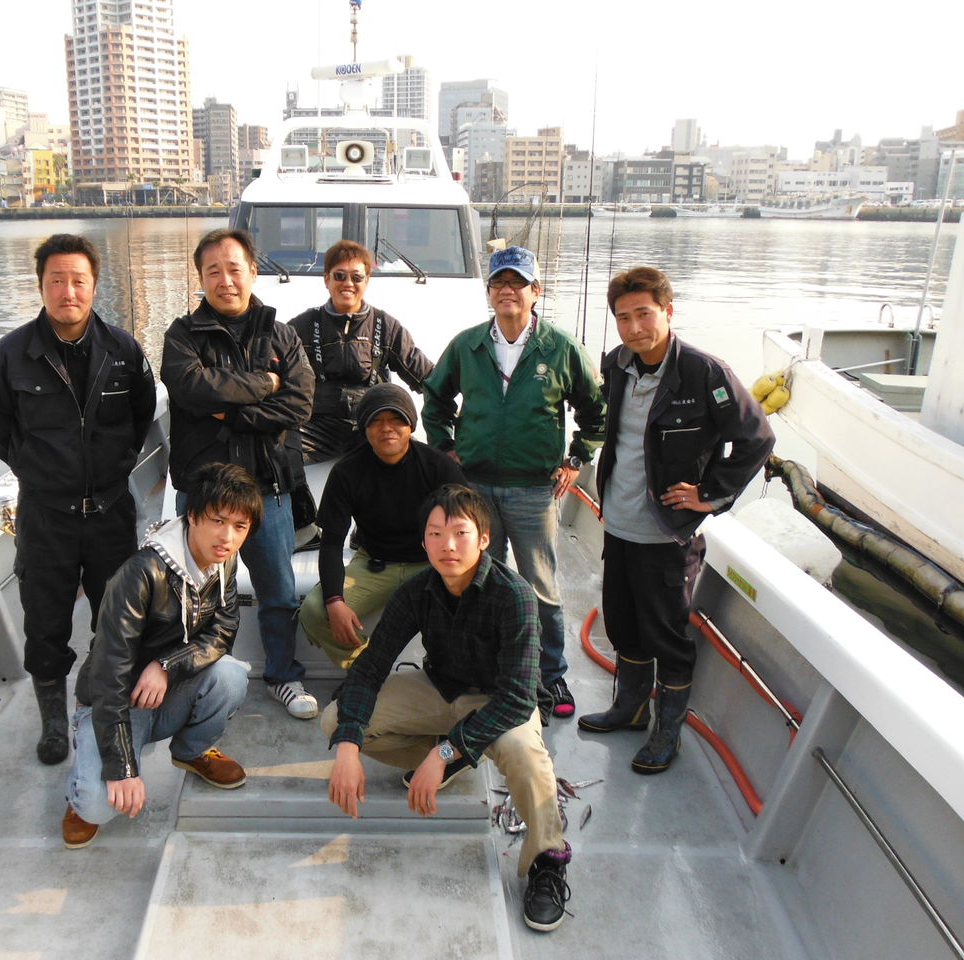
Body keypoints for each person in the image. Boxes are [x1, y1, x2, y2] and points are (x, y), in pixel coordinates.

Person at [323, 484, 572, 932]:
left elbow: (518, 697)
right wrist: (347, 748)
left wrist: (440, 755)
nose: (448, 545)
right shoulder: (416, 591)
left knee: (526, 754)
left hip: (499, 701)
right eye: (435, 533)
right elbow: (370, 667)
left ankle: (547, 860)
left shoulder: (514, 595)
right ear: (424, 543)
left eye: (460, 532)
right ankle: (458, 752)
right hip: (440, 690)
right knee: (335, 721)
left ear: (484, 538)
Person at [577, 266, 775, 774]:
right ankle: (630, 707)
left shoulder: (704, 373)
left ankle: (668, 731)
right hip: (617, 525)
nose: (634, 328)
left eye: (644, 314)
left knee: (667, 636)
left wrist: (708, 495)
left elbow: (756, 438)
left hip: (665, 534)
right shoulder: (617, 365)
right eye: (623, 318)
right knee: (623, 625)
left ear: (668, 311)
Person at [0, 233, 156, 765]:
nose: (68, 291)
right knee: (45, 622)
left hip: (110, 511)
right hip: (45, 515)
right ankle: (54, 721)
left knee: (117, 617)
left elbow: (141, 417)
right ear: (41, 286)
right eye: (56, 280)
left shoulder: (123, 350)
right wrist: (41, 472)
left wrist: (109, 469)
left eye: (79, 280)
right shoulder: (8, 355)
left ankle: (99, 697)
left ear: (94, 285)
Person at [423, 246, 605, 719]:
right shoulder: (467, 345)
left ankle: (551, 674)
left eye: (518, 282)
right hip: (475, 488)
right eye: (499, 282)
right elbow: (435, 398)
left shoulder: (560, 347)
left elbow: (596, 410)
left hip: (533, 490)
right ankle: (490, 669)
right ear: (489, 292)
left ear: (535, 292)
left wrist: (576, 459)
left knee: (539, 586)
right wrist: (446, 448)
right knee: (479, 580)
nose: (508, 290)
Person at [160, 228, 320, 720]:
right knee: (194, 594)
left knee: (277, 591)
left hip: (268, 488)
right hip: (205, 491)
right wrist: (264, 383)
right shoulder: (182, 335)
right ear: (200, 277)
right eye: (214, 271)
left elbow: (300, 403)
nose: (225, 280)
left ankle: (283, 676)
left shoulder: (282, 334)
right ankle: (197, 683)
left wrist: (230, 412)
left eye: (234, 269)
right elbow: (191, 389)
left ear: (253, 271)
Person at [61, 463, 260, 849]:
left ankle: (190, 752)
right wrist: (122, 768)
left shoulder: (224, 559)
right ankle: (78, 794)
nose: (228, 536)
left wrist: (167, 666)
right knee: (98, 807)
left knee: (230, 676)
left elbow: (223, 631)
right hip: (117, 700)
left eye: (240, 526)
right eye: (218, 521)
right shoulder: (139, 574)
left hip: (168, 688)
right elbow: (108, 675)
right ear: (192, 515)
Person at [298, 383, 465, 670]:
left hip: (431, 564)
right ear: (364, 428)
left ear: (410, 425)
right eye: (376, 421)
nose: (386, 428)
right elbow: (331, 544)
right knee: (315, 611)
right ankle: (368, 672)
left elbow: (465, 531)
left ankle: (446, 670)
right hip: (374, 564)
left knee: (471, 605)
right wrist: (335, 601)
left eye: (396, 419)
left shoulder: (438, 466)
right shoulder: (347, 471)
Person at [288, 239, 434, 462]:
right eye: (339, 276)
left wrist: (462, 403)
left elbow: (427, 377)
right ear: (326, 279)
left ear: (366, 281)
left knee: (417, 460)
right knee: (276, 449)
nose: (348, 283)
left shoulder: (387, 326)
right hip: (316, 426)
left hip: (372, 424)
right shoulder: (301, 325)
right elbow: (275, 370)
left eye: (356, 277)